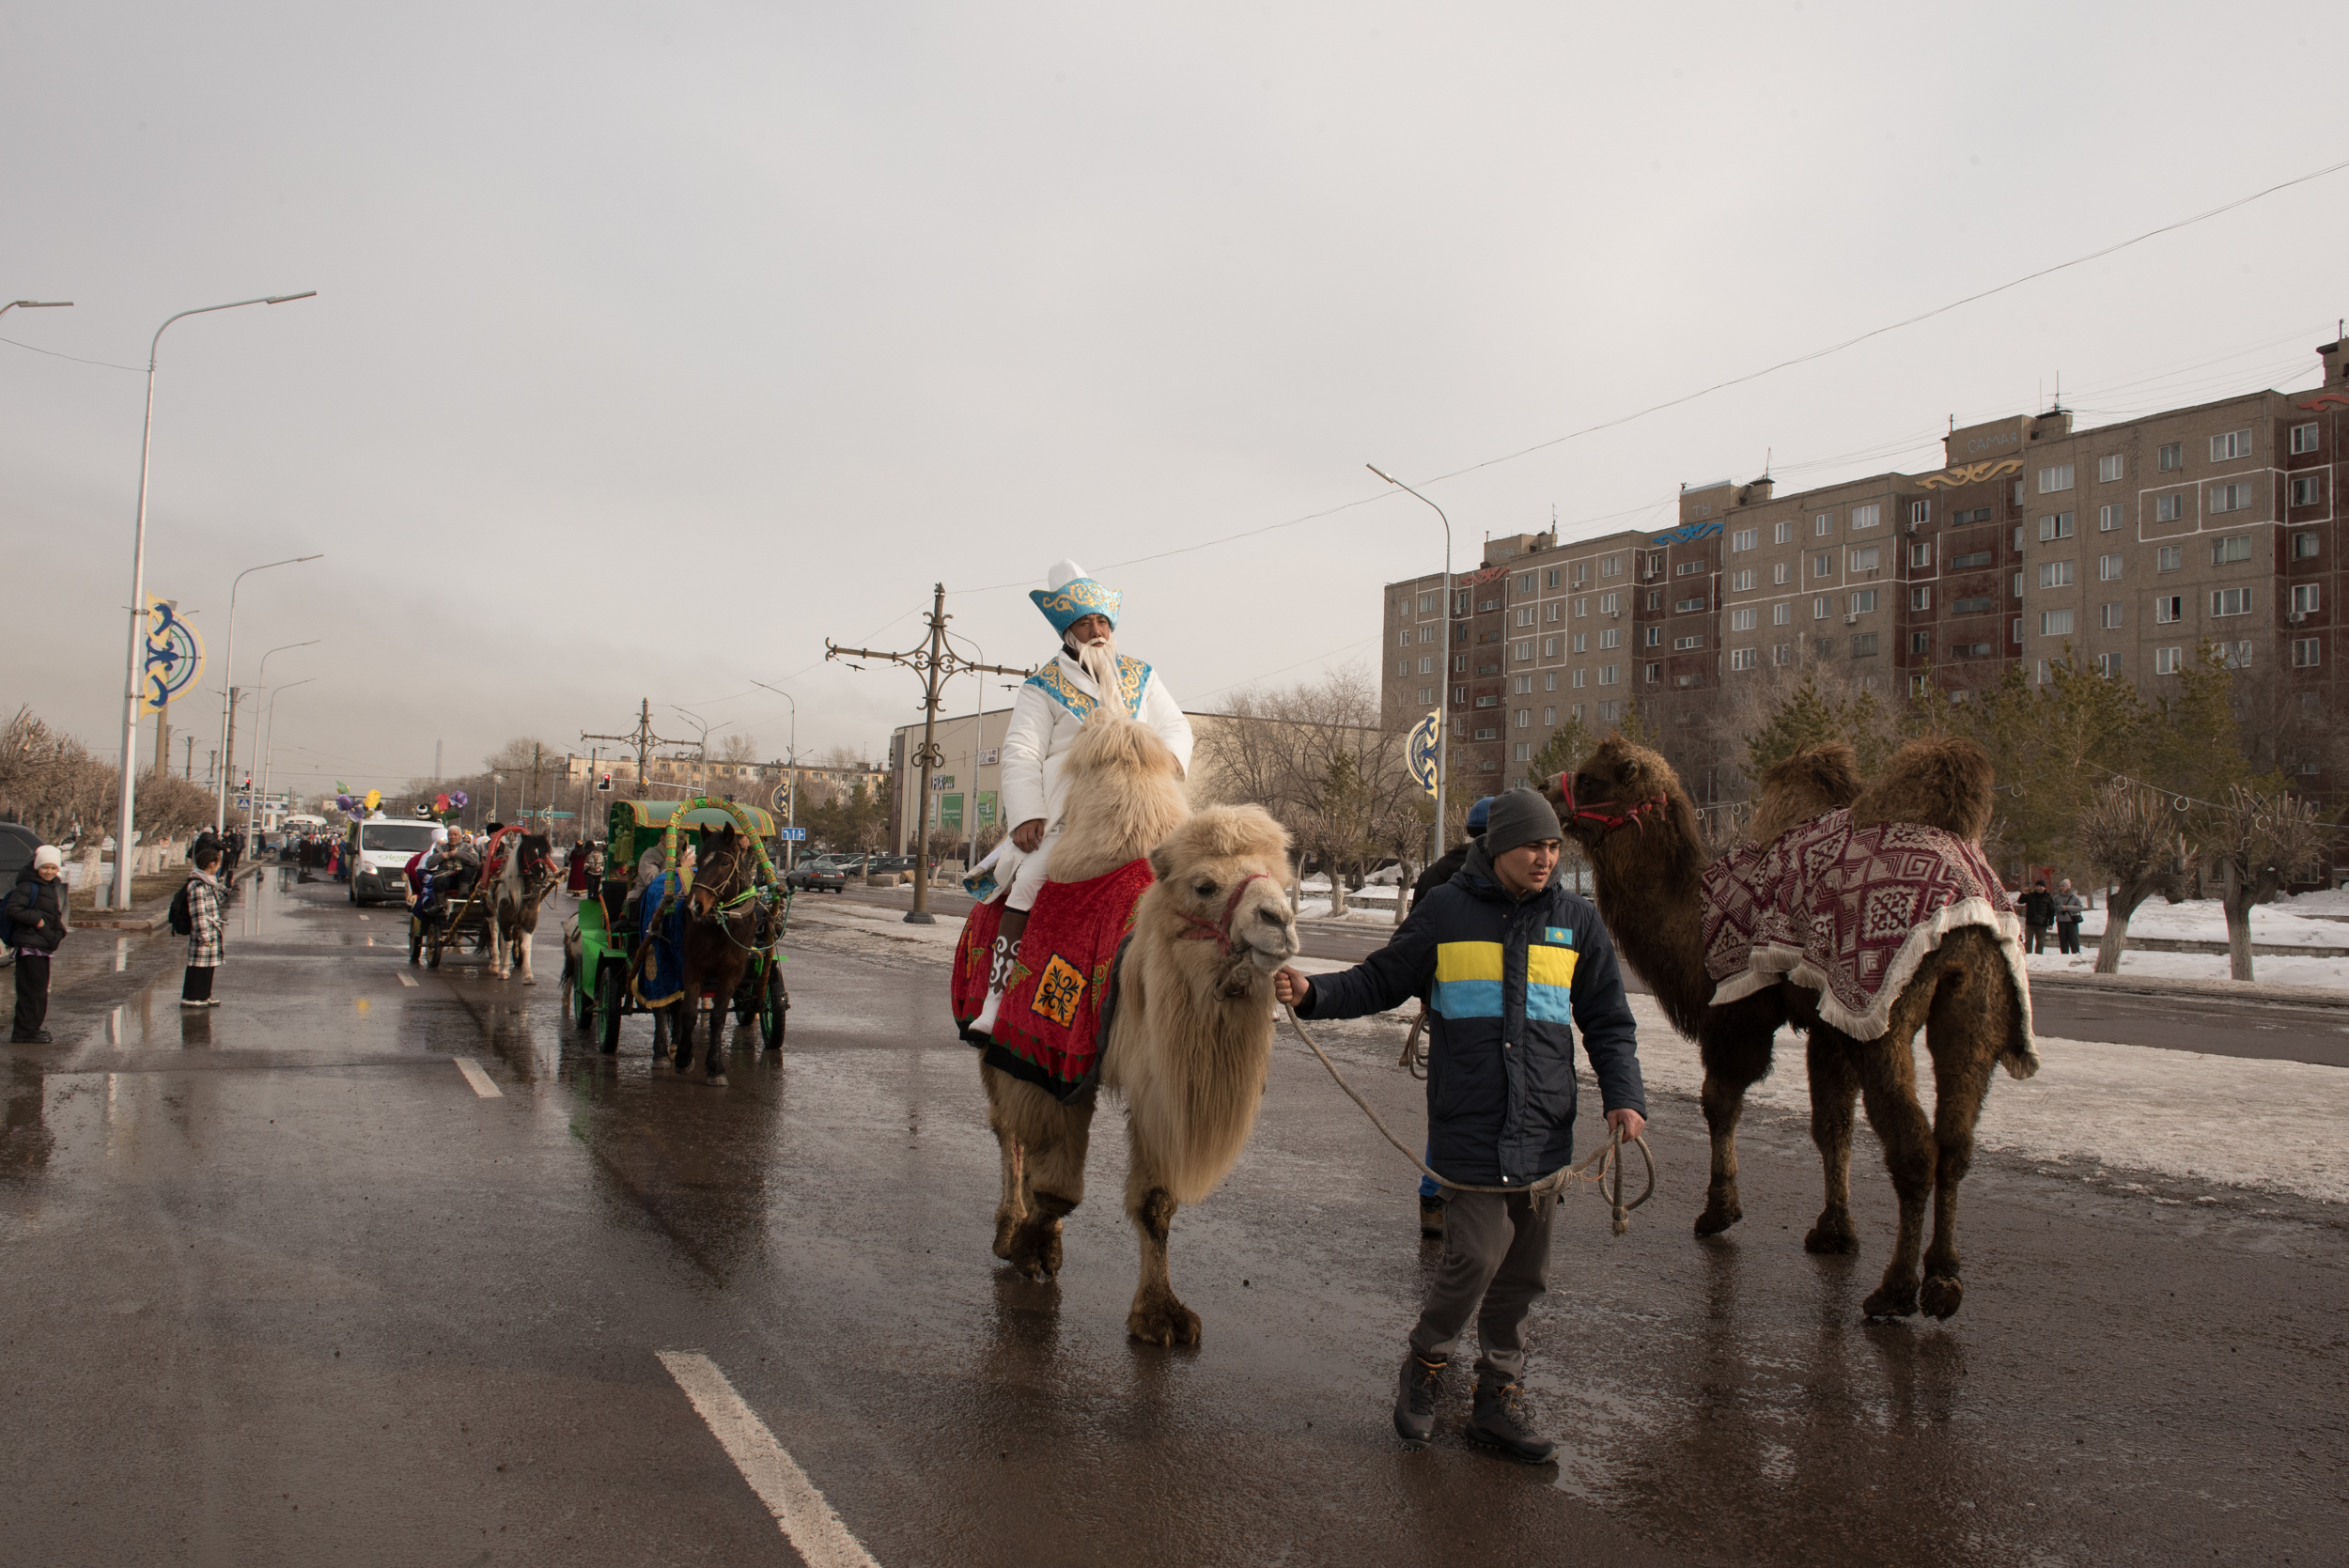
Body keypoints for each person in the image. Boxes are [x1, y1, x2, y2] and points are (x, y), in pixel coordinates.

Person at [1271, 788, 1644, 1464]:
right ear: (1497, 847)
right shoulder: (1444, 910)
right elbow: (1382, 980)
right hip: (1469, 1122)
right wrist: (1315, 992)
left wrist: (1625, 1097)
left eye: (1553, 847)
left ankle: (1498, 1396)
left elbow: (1610, 1021)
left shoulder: (1575, 920)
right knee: (1475, 1256)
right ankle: (1426, 1363)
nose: (1546, 858)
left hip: (1545, 1126)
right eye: (1532, 846)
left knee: (1525, 1273)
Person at [968, 558, 1195, 1040]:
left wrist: (1166, 762)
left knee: (1203, 875)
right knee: (1028, 881)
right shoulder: (1042, 686)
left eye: (1103, 622)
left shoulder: (1141, 675)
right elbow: (1022, 751)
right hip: (1072, 813)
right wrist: (1027, 814)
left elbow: (1176, 726)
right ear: (1067, 630)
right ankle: (997, 996)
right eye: (1086, 623)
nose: (1097, 631)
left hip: (1143, 805)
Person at [1407, 796, 1494, 1238]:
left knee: (1449, 1104)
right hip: (1486, 1011)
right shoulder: (1496, 877)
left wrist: (1426, 997)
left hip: (1444, 1006)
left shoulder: (1434, 875)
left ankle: (1434, 1196)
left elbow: (1412, 944)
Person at [7, 846, 69, 1043]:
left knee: (38, 990)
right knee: (31, 991)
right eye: (45, 867)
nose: (49, 871)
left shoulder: (48, 886)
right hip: (29, 945)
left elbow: (52, 914)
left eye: (53, 868)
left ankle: (32, 1029)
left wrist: (58, 932)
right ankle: (24, 1033)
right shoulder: (28, 886)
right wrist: (38, 921)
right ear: (36, 866)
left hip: (40, 944)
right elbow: (13, 909)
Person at [181, 846, 227, 1008]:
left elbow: (214, 901)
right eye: (218, 864)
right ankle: (191, 996)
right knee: (198, 966)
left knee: (208, 966)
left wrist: (226, 888)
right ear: (211, 864)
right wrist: (203, 936)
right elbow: (198, 913)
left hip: (210, 931)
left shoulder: (207, 882)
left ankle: (204, 994)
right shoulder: (198, 885)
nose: (218, 867)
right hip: (203, 932)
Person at [2020, 878, 2055, 955]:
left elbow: (2051, 911)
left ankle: (2039, 956)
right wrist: (2024, 894)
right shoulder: (2030, 895)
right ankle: (2028, 955)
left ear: (2044, 888)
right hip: (2030, 922)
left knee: (2040, 942)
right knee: (2028, 941)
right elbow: (2020, 901)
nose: (2039, 888)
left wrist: (2051, 923)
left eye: (2041, 886)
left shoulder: (2048, 897)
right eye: (2037, 886)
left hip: (2042, 923)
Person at [2054, 878, 2086, 955]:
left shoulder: (2074, 897)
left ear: (2068, 887)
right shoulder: (2056, 897)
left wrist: (2067, 908)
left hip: (2071, 921)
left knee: (2073, 938)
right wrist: (2061, 908)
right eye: (2061, 886)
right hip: (2061, 921)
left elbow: (2080, 908)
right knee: (2063, 939)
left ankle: (2076, 953)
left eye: (2064, 886)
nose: (2062, 887)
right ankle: (2064, 954)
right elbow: (2053, 908)